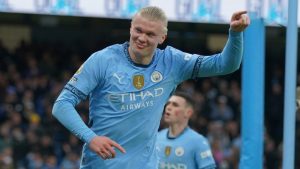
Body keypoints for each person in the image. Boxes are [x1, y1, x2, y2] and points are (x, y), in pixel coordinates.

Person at [52, 6, 250, 169]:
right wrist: (91, 138)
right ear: (131, 28)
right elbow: (61, 105)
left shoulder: (172, 62)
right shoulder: (103, 60)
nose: (141, 38)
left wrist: (235, 34)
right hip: (100, 165)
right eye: (138, 30)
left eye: (150, 34)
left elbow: (226, 65)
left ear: (162, 38)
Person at [157, 92, 216, 169]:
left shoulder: (198, 141)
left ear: (188, 113)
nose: (168, 107)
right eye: (168, 103)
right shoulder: (157, 138)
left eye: (175, 105)